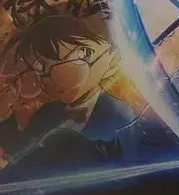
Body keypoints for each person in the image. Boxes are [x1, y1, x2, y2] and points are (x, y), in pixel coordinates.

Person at [0, 11, 134, 159]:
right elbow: (20, 149)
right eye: (38, 68)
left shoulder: (118, 114)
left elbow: (123, 162)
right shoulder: (49, 112)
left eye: (49, 65)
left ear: (86, 54)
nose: (43, 78)